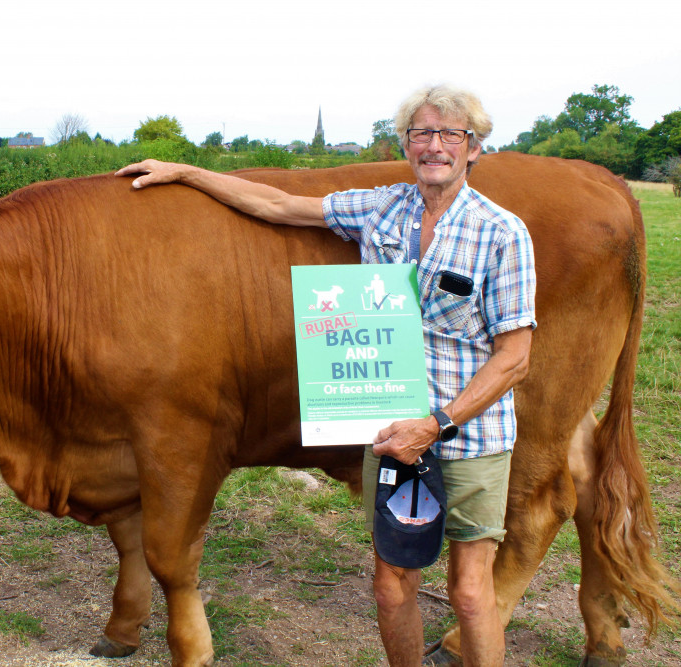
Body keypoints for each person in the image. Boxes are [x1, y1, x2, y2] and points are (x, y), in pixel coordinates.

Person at [116, 85, 536, 667]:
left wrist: (436, 423)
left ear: (474, 149)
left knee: (469, 593)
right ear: (406, 145)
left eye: (450, 135)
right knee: (391, 588)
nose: (434, 145)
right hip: (391, 430)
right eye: (422, 133)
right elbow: (277, 205)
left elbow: (515, 356)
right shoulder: (381, 209)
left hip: (470, 434)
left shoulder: (503, 232)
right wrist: (187, 172)